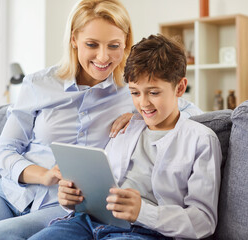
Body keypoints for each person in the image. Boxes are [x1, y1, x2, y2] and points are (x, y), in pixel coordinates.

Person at [0, 1, 202, 239]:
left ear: (126, 44)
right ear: (73, 40)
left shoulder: (131, 91)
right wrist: (42, 175)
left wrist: (136, 116)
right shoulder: (38, 84)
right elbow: (4, 151)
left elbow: (190, 112)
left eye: (114, 46)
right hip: (10, 193)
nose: (103, 57)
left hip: (65, 205)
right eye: (92, 44)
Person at [29, 34, 222, 240]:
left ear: (180, 88)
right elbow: (102, 185)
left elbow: (203, 221)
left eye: (154, 93)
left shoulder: (201, 140)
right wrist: (71, 200)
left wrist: (143, 212)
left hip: (145, 231)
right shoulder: (126, 128)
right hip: (87, 222)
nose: (143, 103)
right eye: (135, 93)